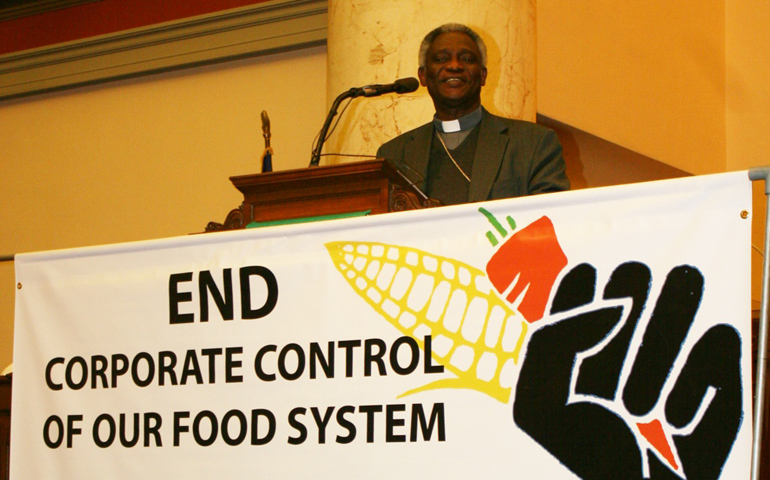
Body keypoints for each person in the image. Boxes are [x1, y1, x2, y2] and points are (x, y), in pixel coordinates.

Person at [377, 23, 569, 205]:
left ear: (483, 75)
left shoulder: (533, 143)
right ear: (423, 76)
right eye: (441, 59)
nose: (454, 66)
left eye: (467, 59)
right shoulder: (394, 155)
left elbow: (550, 221)